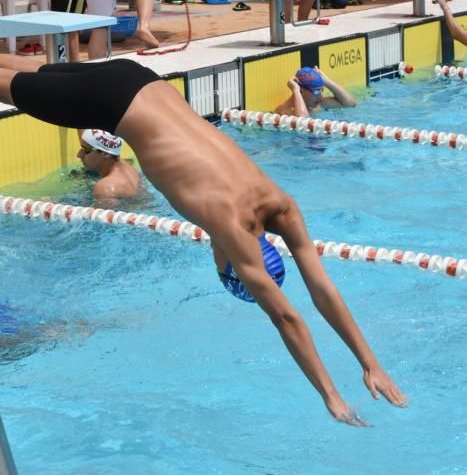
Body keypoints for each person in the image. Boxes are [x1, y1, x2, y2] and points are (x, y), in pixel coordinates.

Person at [0, 54, 407, 426]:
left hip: (139, 79)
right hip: (111, 104)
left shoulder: (280, 205)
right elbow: (287, 317)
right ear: (230, 265)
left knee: (21, 67)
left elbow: (323, 288)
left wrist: (370, 363)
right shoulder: (230, 227)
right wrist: (330, 395)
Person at [77, 128, 144, 200]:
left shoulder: (105, 188)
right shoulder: (130, 169)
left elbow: (100, 211)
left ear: (105, 153)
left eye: (86, 150)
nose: (79, 155)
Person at [275, 65, 356, 117]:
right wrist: (296, 90)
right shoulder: (284, 111)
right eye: (316, 91)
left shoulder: (319, 104)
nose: (320, 96)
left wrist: (327, 81)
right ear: (301, 91)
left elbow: (350, 104)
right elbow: (303, 121)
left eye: (321, 90)